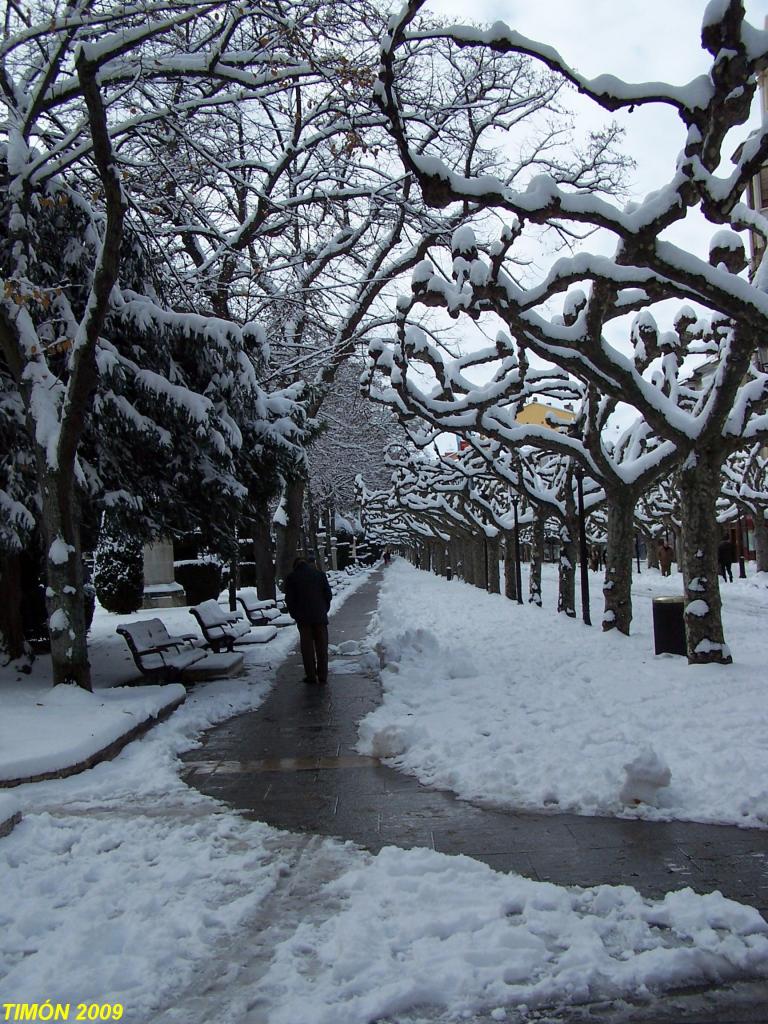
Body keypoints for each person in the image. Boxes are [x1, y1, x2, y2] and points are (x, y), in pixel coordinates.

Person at [283, 555, 332, 685]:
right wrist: (324, 609)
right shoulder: (319, 575)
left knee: (307, 648)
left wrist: (295, 615)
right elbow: (328, 594)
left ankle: (310, 675)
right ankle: (322, 675)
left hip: (303, 619)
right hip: (320, 616)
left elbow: (290, 600)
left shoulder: (292, 578)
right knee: (322, 646)